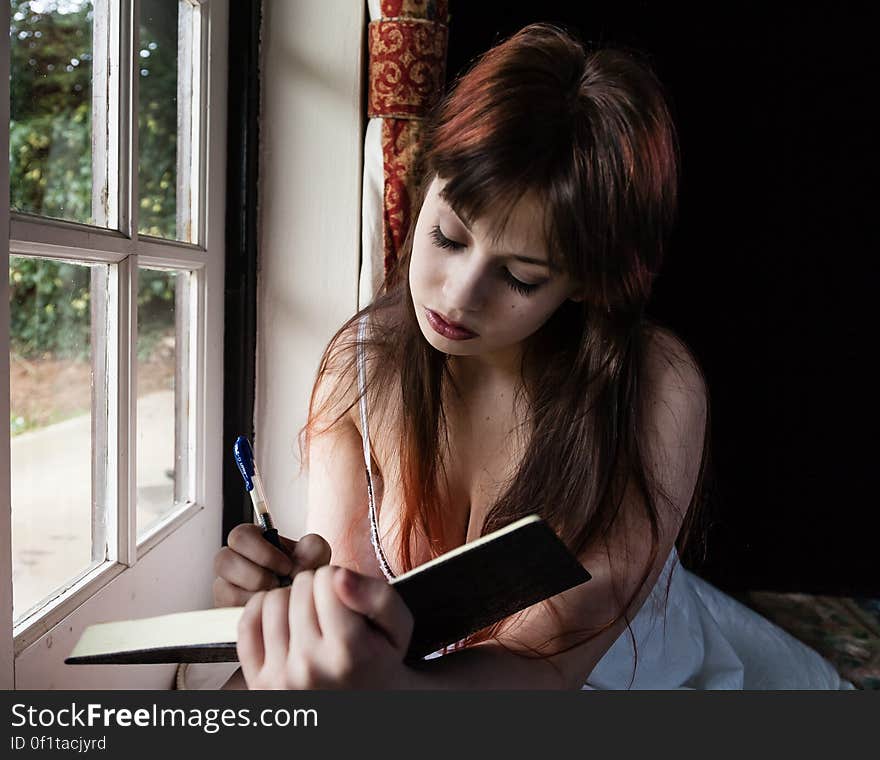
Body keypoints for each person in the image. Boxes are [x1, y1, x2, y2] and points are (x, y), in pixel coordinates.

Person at [211, 23, 851, 689]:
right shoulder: (359, 372)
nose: (457, 296)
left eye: (521, 277)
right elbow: (357, 618)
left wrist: (380, 687)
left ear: (588, 281)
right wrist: (294, 602)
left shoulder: (654, 389)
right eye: (447, 236)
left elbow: (548, 673)